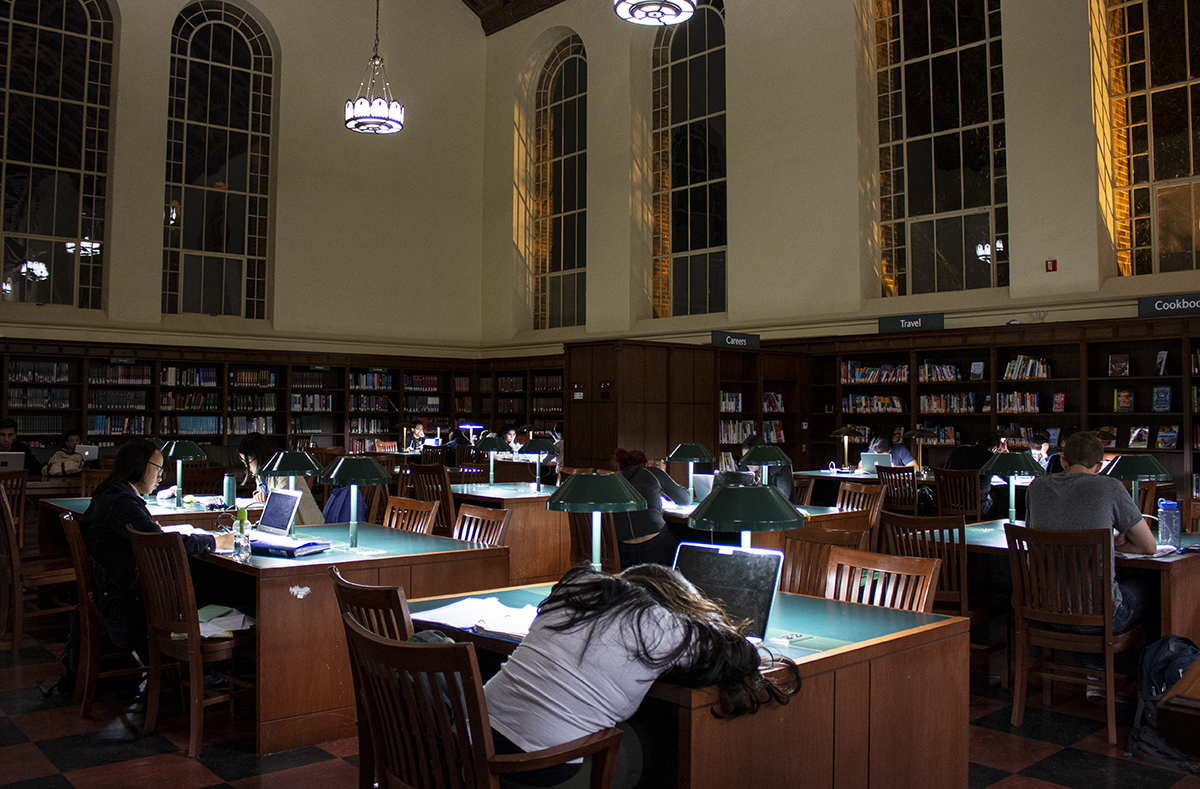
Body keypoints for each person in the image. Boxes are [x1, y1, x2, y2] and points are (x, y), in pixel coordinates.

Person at [484, 564, 801, 787]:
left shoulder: (577, 586)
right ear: (679, 604)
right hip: (539, 772)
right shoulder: (666, 627)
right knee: (668, 735)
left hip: (472, 742)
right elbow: (741, 654)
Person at [80, 438, 234, 652]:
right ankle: (212, 656)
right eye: (158, 469)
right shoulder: (122, 502)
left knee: (207, 578)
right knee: (223, 583)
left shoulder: (113, 493)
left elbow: (152, 538)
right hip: (125, 603)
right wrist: (216, 541)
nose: (161, 476)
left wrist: (151, 530)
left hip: (113, 591)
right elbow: (164, 545)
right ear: (139, 465)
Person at [1025, 431, 1155, 633]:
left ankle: (1086, 659)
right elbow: (1148, 547)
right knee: (1149, 588)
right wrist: (1110, 544)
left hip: (1043, 609)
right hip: (1099, 615)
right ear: (1099, 466)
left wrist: (1108, 543)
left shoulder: (1036, 487)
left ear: (1062, 460)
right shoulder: (1110, 487)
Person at [610, 448, 691, 567]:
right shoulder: (652, 472)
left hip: (623, 552)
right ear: (646, 464)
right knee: (686, 541)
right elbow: (685, 499)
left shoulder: (613, 482)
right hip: (655, 547)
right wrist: (662, 473)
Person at [237, 433, 324, 526]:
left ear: (259, 456)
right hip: (285, 524)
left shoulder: (283, 467)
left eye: (248, 461)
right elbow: (261, 491)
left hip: (306, 525)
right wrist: (258, 494)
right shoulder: (262, 471)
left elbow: (280, 499)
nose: (246, 466)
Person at [944, 430, 1005, 519]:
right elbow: (1007, 475)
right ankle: (987, 526)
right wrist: (1005, 454)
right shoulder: (991, 458)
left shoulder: (957, 452)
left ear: (977, 442)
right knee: (997, 494)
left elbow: (945, 473)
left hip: (951, 504)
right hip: (977, 507)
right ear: (994, 448)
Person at [739, 434, 797, 502]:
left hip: (785, 510)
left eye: (752, 457)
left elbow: (783, 497)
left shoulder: (779, 468)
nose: (748, 462)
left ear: (762, 454)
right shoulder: (743, 469)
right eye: (745, 458)